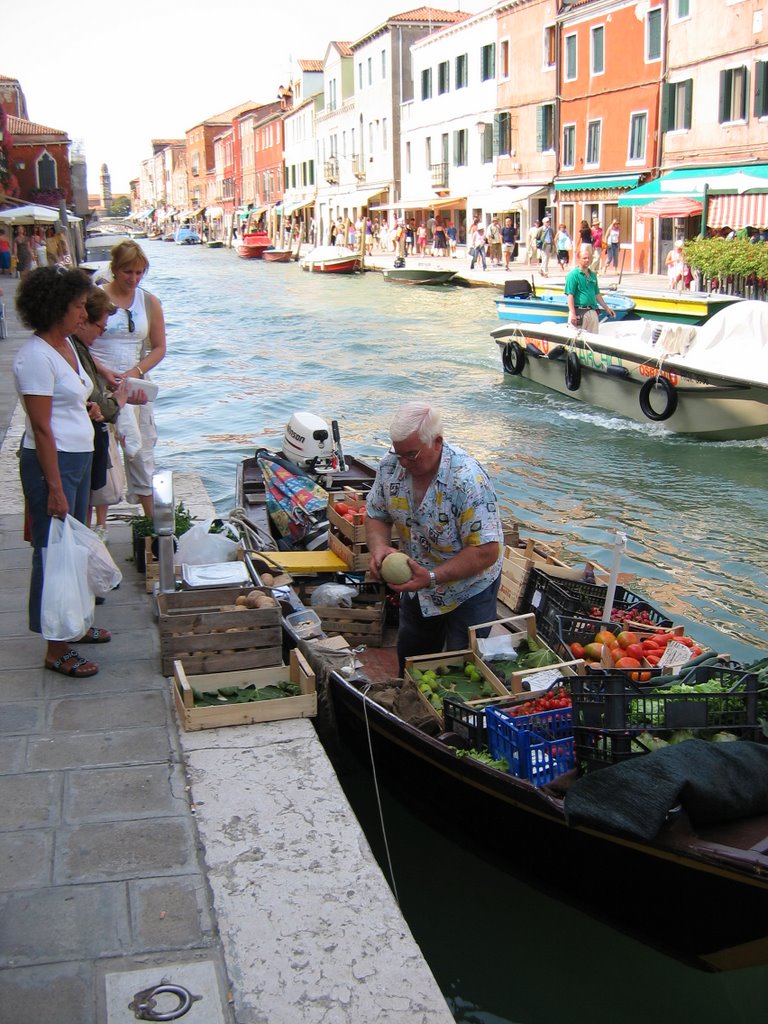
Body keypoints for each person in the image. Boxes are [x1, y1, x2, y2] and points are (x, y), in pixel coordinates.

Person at [14, 266, 111, 679]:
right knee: (54, 553)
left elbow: (67, 399)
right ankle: (56, 647)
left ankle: (76, 623)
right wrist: (54, 487)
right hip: (51, 463)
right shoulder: (34, 358)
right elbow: (41, 427)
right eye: (76, 307)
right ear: (56, 309)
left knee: (76, 546)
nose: (82, 314)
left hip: (78, 454)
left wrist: (86, 408)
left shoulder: (67, 347)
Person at [365, 401, 503, 673]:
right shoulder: (391, 466)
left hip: (469, 589)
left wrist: (431, 577)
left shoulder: (467, 480)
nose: (403, 462)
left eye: (411, 455)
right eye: (398, 452)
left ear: (437, 442)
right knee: (413, 657)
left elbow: (486, 551)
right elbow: (376, 514)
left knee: (462, 666)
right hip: (418, 582)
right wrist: (379, 547)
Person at [89, 240, 166, 518]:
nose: (134, 279)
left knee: (141, 449)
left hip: (134, 385)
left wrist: (135, 372)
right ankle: (100, 524)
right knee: (101, 452)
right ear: (114, 269)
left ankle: (150, 521)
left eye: (139, 272)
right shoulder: (95, 297)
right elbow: (78, 340)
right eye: (127, 272)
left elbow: (159, 347)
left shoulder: (149, 302)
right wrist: (102, 372)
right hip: (98, 380)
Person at [71, 289, 147, 543]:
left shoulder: (76, 348)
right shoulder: (71, 349)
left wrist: (104, 374)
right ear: (82, 320)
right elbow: (97, 407)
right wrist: (119, 400)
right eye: (100, 327)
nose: (102, 333)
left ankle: (92, 536)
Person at [565, 244, 616, 332]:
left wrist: (607, 308)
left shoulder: (593, 275)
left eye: (589, 258)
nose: (587, 260)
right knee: (577, 340)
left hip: (592, 311)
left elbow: (597, 294)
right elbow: (570, 295)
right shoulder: (573, 275)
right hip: (579, 311)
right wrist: (573, 313)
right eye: (584, 258)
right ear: (579, 259)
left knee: (593, 340)